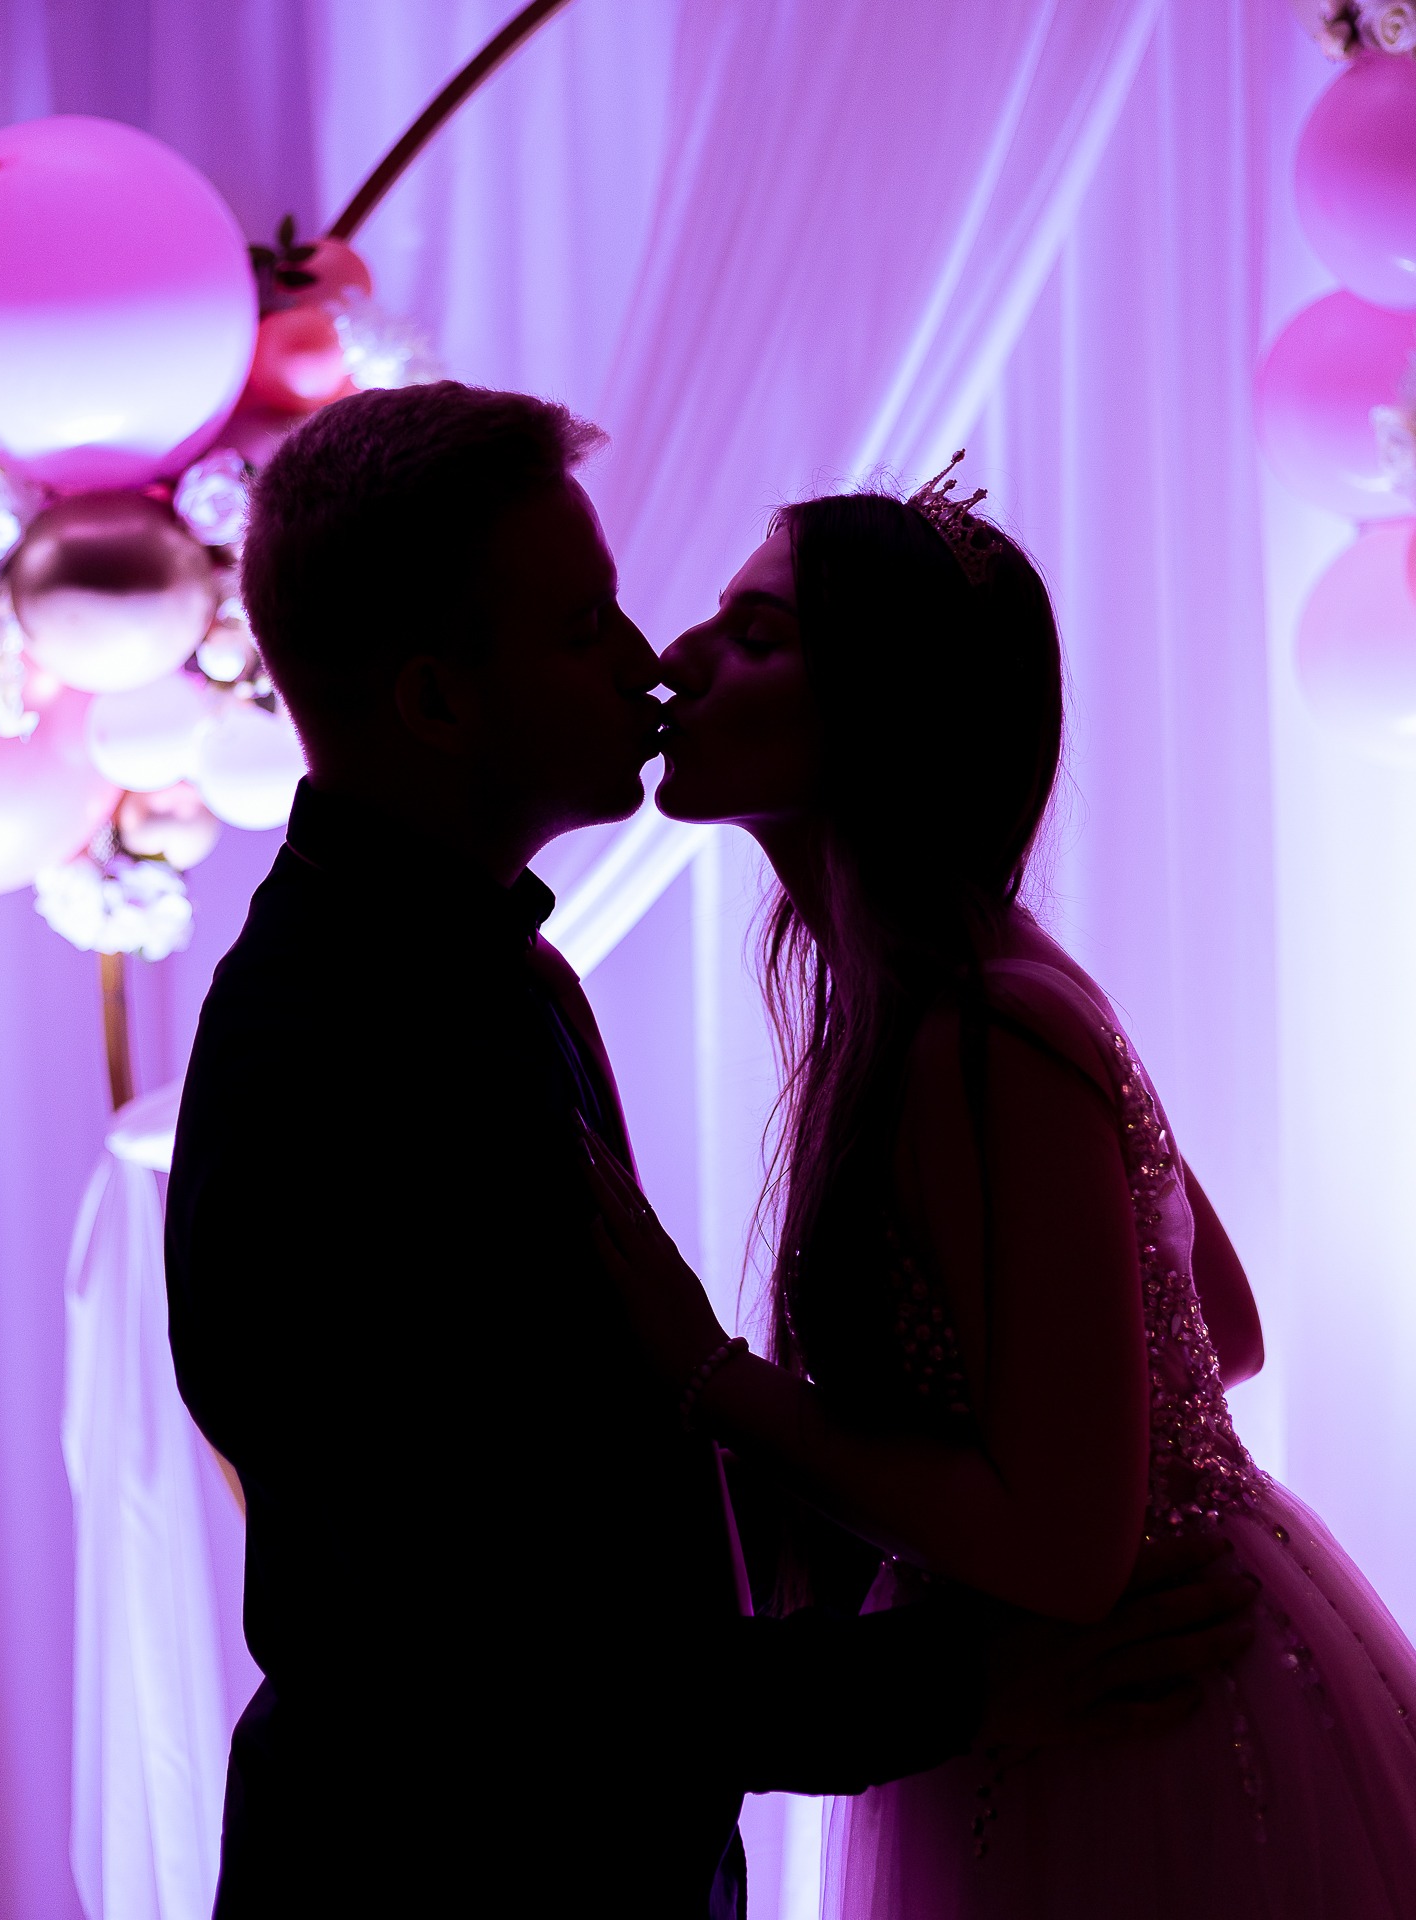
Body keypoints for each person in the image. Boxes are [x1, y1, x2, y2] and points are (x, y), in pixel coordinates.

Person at [166, 387, 1256, 1919]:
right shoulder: (345, 1057)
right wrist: (957, 1678)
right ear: (435, 703)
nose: (650, 660)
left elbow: (598, 1516)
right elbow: (483, 1649)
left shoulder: (505, 984)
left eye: (738, 630)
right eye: (585, 625)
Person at [582, 463, 1416, 1918]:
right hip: (1122, 1666)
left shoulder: (980, 1026)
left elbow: (1069, 1548)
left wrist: (711, 1374)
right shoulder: (963, 981)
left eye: (761, 637)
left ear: (883, 715)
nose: (679, 660)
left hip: (1141, 1709)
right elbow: (1210, 1323)